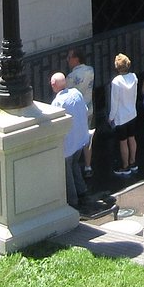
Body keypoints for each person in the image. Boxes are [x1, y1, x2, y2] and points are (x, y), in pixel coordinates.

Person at [50, 71, 90, 208]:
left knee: (68, 172)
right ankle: (82, 190)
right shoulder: (76, 93)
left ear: (53, 86)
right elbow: (84, 110)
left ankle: (73, 201)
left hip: (68, 144)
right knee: (75, 166)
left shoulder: (57, 102)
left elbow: (55, 125)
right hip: (80, 139)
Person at [65, 48, 95, 177]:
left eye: (69, 57)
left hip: (76, 113)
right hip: (89, 108)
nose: (68, 60)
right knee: (87, 137)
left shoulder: (71, 77)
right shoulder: (90, 70)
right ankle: (88, 166)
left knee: (74, 137)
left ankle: (74, 164)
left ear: (76, 59)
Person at [107, 53, 138, 176]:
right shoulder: (134, 77)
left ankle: (125, 166)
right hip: (132, 113)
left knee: (123, 141)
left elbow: (114, 101)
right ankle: (133, 162)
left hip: (121, 116)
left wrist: (111, 117)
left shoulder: (116, 82)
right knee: (132, 138)